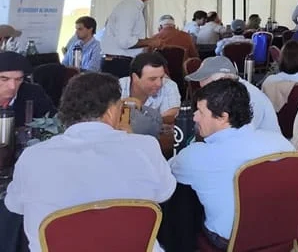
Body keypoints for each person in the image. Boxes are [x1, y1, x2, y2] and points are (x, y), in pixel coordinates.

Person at [5, 73, 176, 252]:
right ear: (112, 110)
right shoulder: (145, 147)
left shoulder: (33, 157)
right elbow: (165, 193)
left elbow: (14, 204)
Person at [170, 80, 294, 249]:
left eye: (201, 112)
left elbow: (165, 177)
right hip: (283, 233)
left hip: (232, 240)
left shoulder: (195, 156)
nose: (195, 117)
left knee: (182, 205)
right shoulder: (280, 143)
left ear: (223, 117)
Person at [185, 56, 279, 133]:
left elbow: (242, 137)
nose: (205, 93)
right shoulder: (231, 94)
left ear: (225, 79)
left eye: (209, 87)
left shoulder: (248, 97)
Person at [95, 0, 164, 76]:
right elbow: (124, 41)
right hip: (119, 64)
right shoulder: (129, 7)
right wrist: (150, 42)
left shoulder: (132, 6)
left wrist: (149, 43)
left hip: (118, 61)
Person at [119, 52, 182, 120]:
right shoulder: (116, 87)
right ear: (135, 77)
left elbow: (169, 118)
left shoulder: (169, 86)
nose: (159, 84)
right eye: (152, 79)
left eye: (161, 77)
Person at [0, 52, 55, 126]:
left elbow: (54, 122)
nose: (12, 86)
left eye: (18, 79)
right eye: (4, 79)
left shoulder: (33, 93)